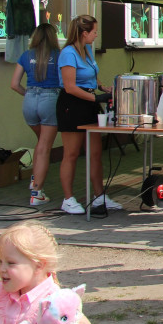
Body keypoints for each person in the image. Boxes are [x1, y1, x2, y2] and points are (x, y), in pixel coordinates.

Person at [55, 14, 116, 215]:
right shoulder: (68, 53)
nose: (96, 35)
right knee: (71, 153)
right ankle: (68, 198)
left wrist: (101, 87)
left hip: (89, 102)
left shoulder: (87, 50)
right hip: (72, 105)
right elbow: (70, 87)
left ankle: (99, 196)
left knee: (95, 152)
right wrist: (96, 98)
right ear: (84, 33)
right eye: (94, 32)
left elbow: (91, 74)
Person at [10, 22, 61, 207]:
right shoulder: (59, 55)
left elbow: (14, 84)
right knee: (44, 148)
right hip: (50, 100)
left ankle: (36, 180)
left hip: (29, 100)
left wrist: (29, 95)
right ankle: (36, 192)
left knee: (41, 144)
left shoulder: (26, 55)